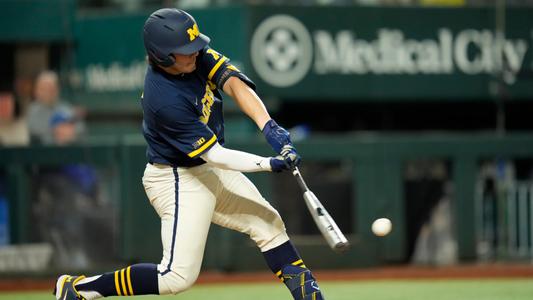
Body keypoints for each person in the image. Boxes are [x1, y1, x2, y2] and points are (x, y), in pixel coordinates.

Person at [54, 8, 324, 300]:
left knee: (267, 223)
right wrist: (269, 163)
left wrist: (269, 127)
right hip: (176, 178)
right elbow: (216, 155)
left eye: (195, 45)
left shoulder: (194, 57)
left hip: (205, 168)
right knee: (176, 277)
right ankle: (80, 288)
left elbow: (234, 83)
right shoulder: (163, 100)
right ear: (162, 56)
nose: (195, 52)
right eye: (185, 50)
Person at [27, 71, 85, 145]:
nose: (48, 91)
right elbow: (34, 131)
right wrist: (57, 132)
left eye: (51, 87)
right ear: (37, 91)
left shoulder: (65, 107)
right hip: (42, 151)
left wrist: (72, 132)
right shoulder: (33, 110)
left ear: (57, 89)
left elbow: (81, 128)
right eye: (44, 88)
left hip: (67, 151)